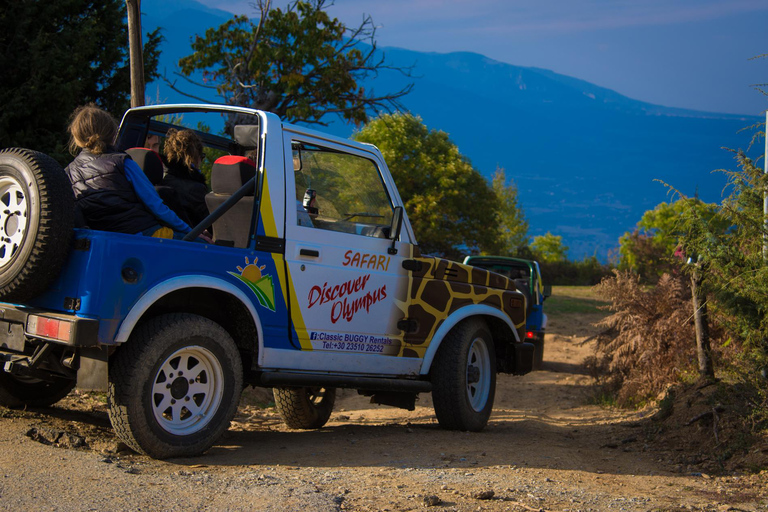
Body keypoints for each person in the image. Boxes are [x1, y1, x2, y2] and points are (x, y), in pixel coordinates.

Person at [65, 104, 200, 240]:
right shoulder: (122, 162)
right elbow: (156, 206)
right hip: (141, 234)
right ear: (112, 133)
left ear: (76, 138)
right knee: (202, 246)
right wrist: (191, 232)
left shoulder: (68, 173)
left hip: (102, 241)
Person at [162, 129, 210, 228]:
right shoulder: (196, 189)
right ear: (195, 157)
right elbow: (211, 225)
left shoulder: (162, 180)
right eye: (202, 157)